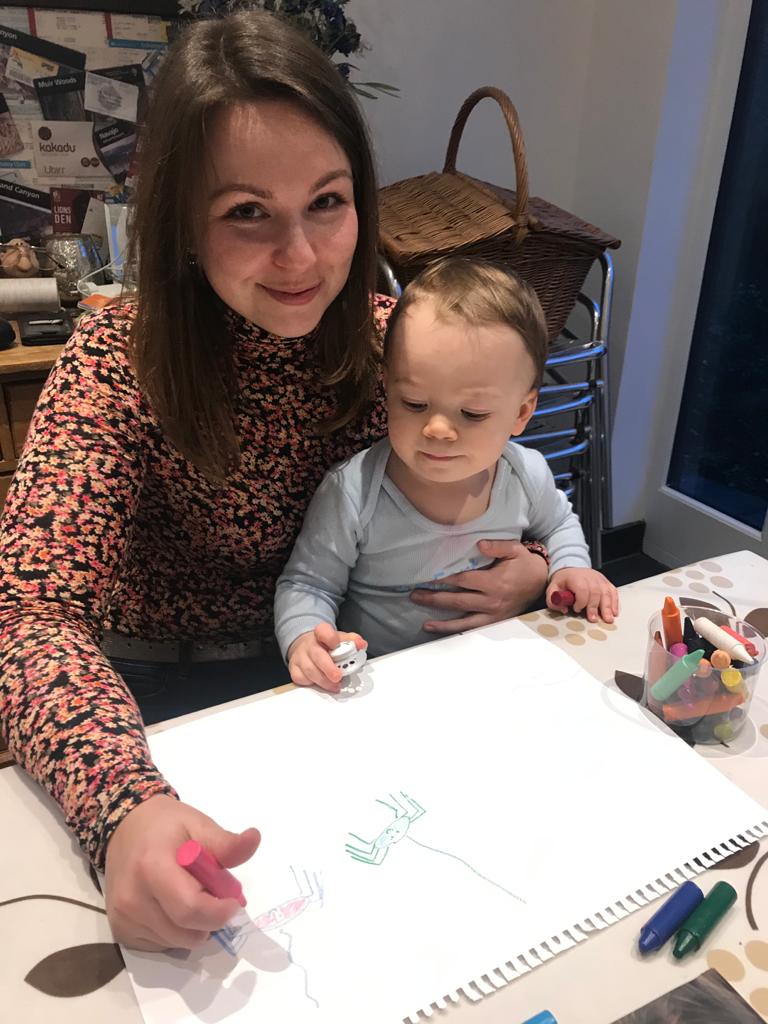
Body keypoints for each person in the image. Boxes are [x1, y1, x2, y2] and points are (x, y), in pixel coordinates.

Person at [0, 12, 550, 951]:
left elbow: (507, 475)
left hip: (352, 677)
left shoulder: (399, 340)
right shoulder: (117, 359)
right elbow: (27, 615)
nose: (301, 256)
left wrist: (531, 567)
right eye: (248, 212)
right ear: (183, 220)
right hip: (157, 696)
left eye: (327, 202)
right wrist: (122, 804)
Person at [276, 258, 619, 690]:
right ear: (387, 387)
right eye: (414, 404)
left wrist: (571, 567)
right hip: (384, 681)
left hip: (497, 670)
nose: (437, 429)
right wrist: (306, 638)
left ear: (522, 412)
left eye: (472, 413)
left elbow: (559, 524)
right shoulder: (352, 491)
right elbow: (308, 584)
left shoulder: (525, 473)